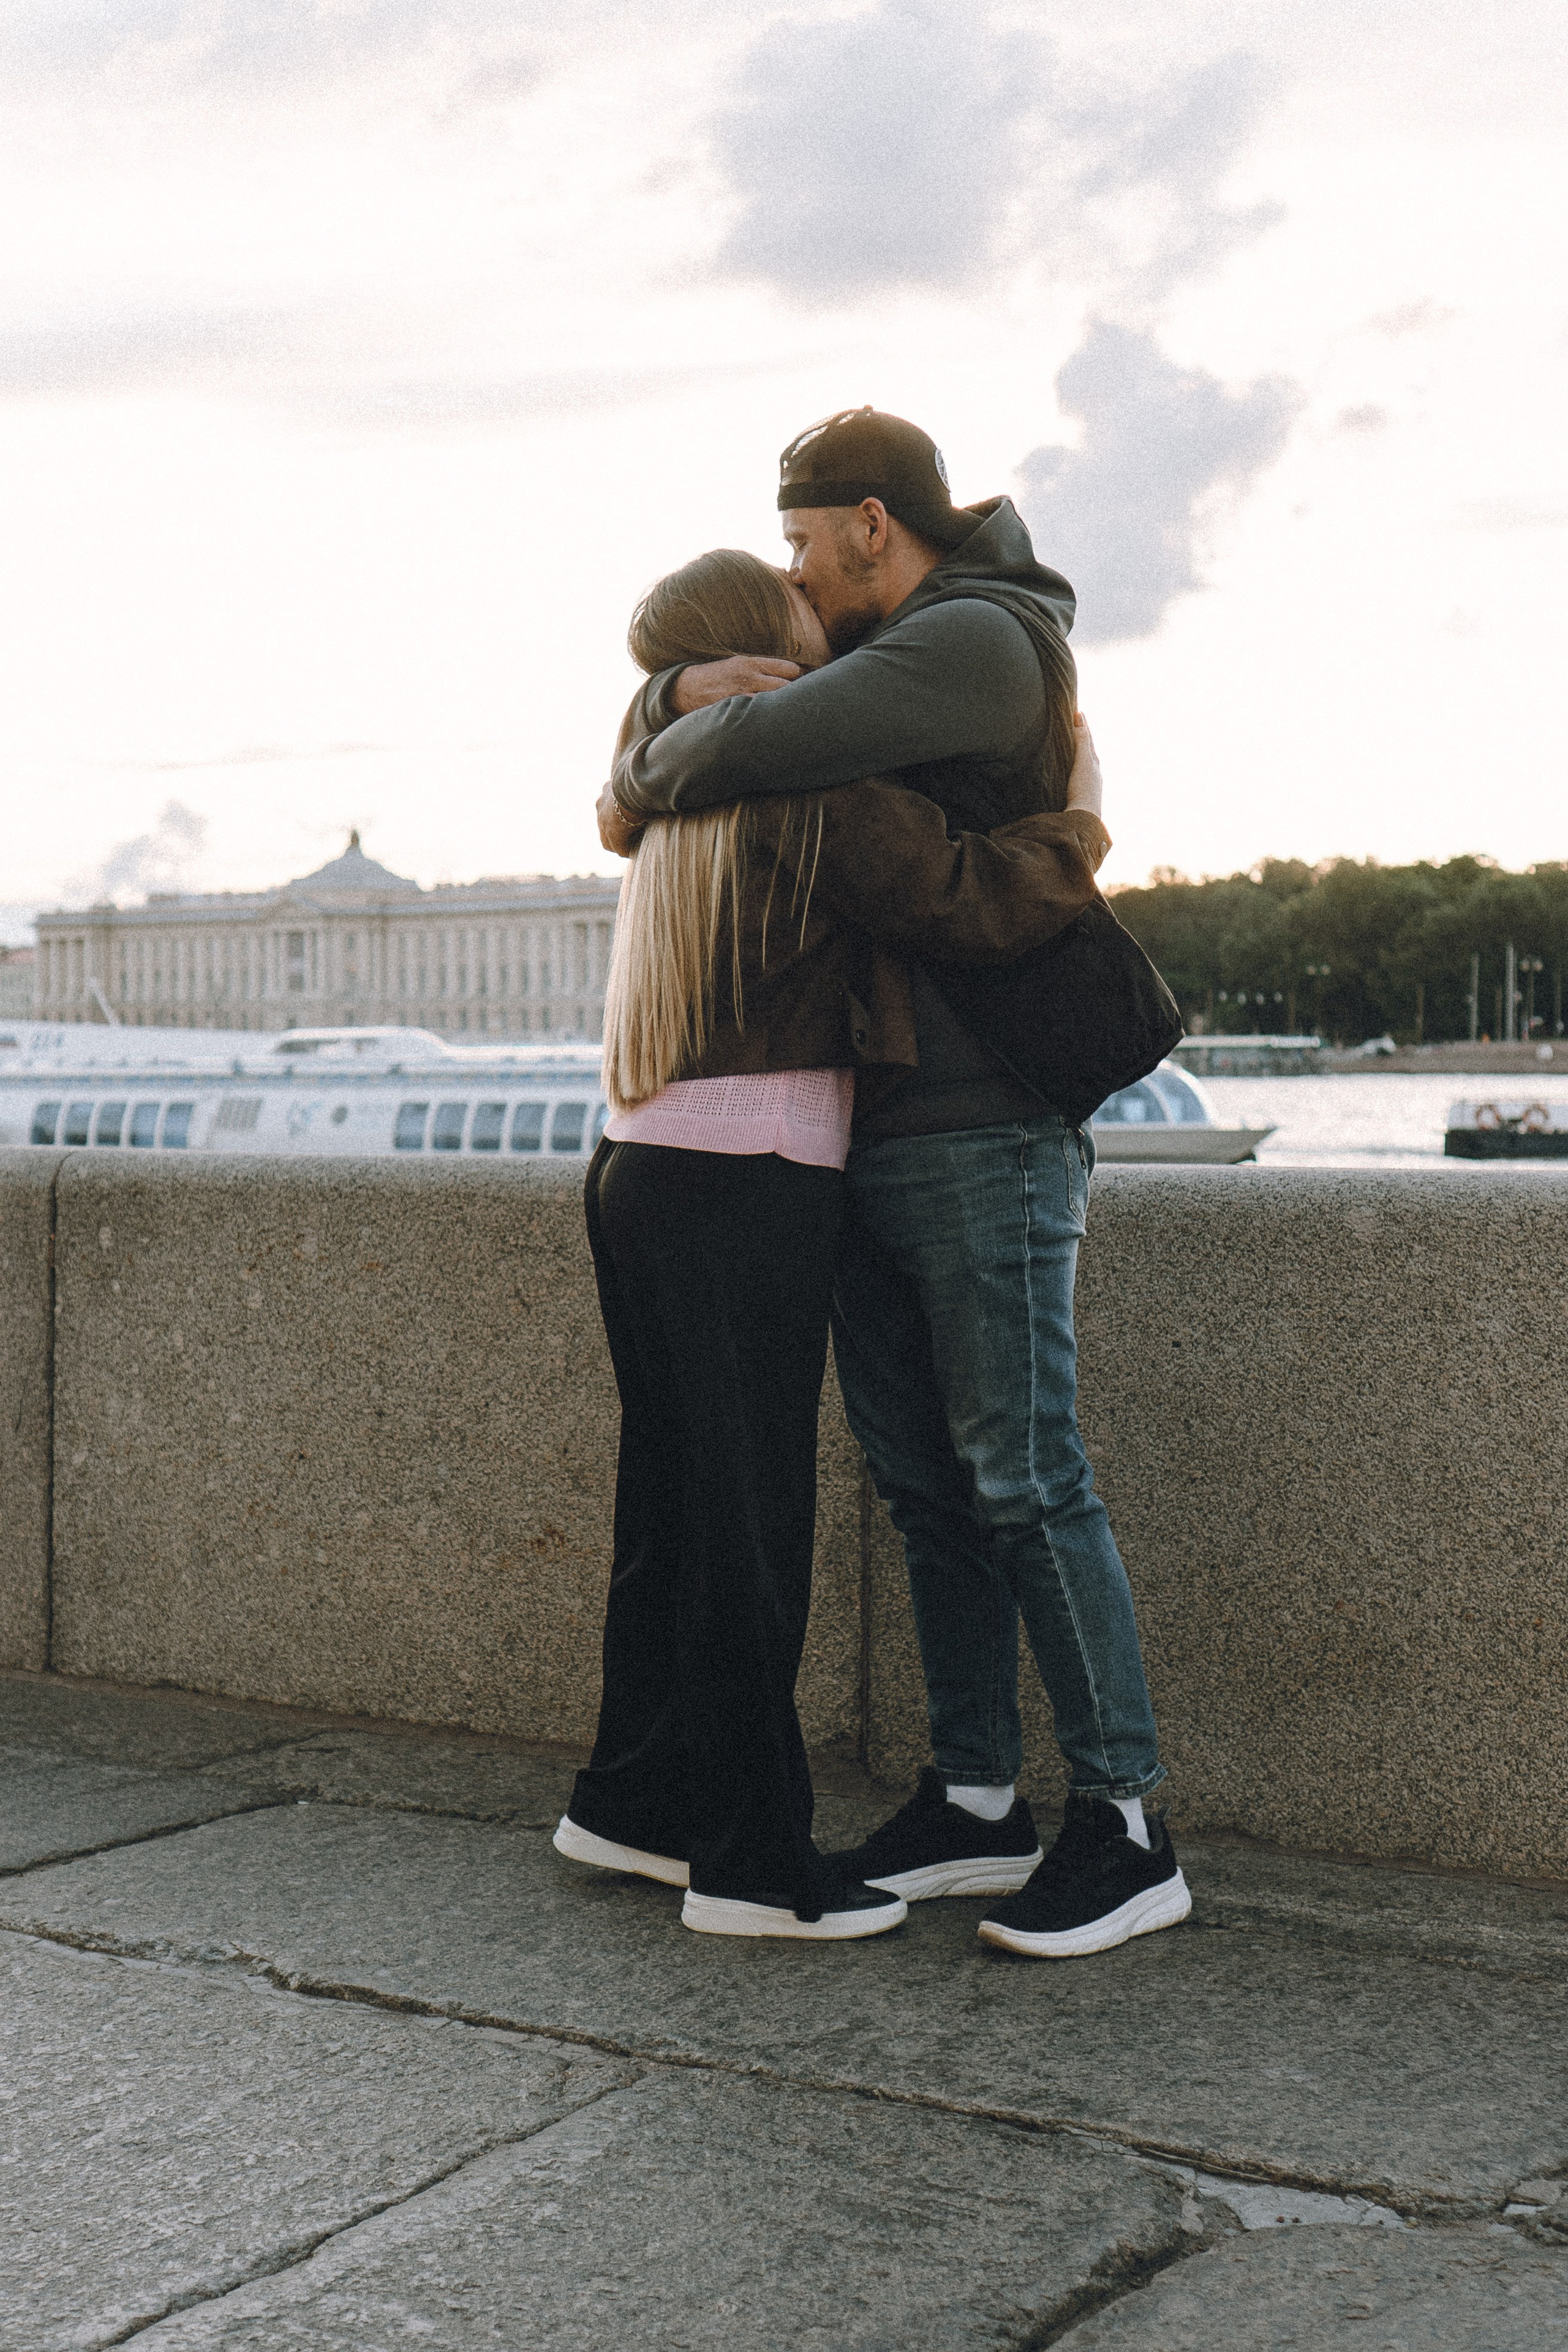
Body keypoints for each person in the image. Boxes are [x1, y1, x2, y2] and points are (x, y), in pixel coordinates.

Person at [603, 410, 1191, 1961]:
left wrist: (673, 711)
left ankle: (1124, 1825)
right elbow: (671, 771)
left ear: (872, 523)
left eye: (802, 544)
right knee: (927, 1487)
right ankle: (977, 1796)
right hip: (878, 1124)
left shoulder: (976, 641)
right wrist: (667, 693)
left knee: (1020, 1473)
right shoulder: (899, 653)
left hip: (985, 1119)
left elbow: (741, 751)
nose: (794, 577)